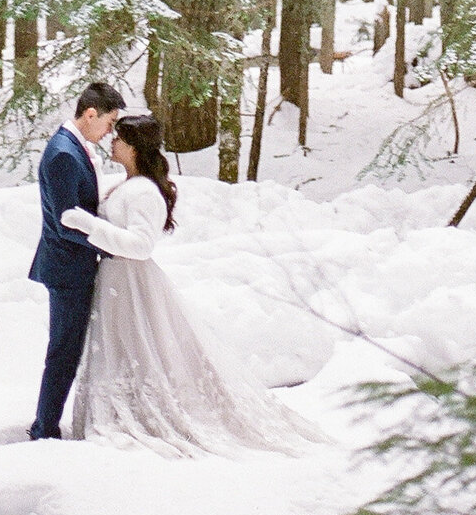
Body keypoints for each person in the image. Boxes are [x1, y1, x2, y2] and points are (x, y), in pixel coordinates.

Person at [60, 111, 326, 456]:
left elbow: (141, 245)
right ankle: (118, 410)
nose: (114, 142)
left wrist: (90, 225)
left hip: (131, 281)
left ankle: (145, 414)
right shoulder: (127, 185)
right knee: (123, 349)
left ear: (135, 148)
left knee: (140, 348)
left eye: (121, 139)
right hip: (116, 281)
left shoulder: (143, 192)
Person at [27, 79, 125, 440]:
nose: (110, 131)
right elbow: (65, 221)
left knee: (67, 349)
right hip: (67, 267)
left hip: (72, 265)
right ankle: (45, 429)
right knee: (64, 351)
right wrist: (109, 244)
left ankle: (46, 424)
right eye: (109, 123)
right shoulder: (65, 154)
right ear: (90, 114)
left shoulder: (72, 147)